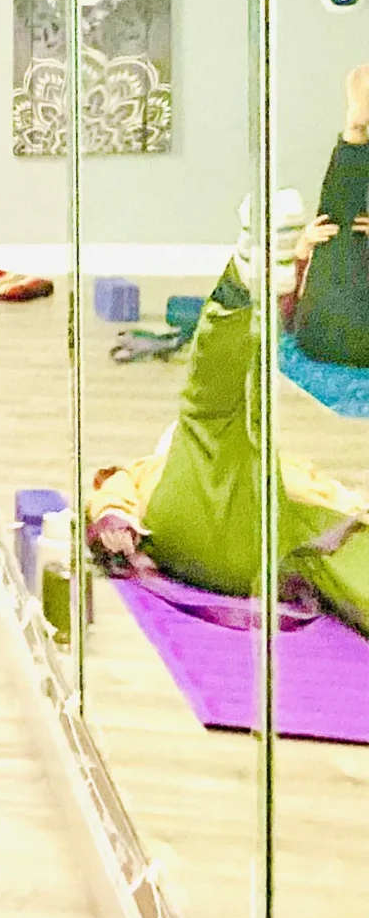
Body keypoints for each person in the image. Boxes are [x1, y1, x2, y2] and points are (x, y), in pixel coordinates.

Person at [89, 220, 369, 634]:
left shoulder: (268, 469)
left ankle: (242, 288)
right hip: (234, 542)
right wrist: (115, 517)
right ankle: (243, 289)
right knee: (224, 409)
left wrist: (115, 517)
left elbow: (344, 508)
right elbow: (112, 495)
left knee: (220, 411)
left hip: (249, 549)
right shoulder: (153, 468)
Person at [289, 63, 369, 367]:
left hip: (318, 338)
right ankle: (355, 130)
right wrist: (305, 245)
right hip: (334, 330)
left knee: (338, 226)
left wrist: (302, 250)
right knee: (336, 228)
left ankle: (354, 130)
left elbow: (286, 300)